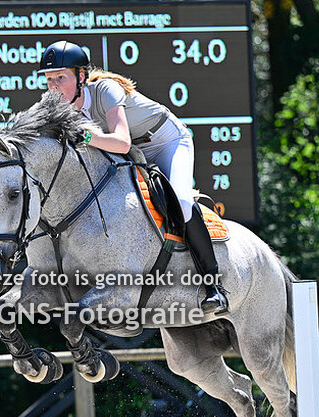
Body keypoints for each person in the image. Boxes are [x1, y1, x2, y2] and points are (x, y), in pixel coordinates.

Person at [38, 40, 228, 314]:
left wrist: (87, 136)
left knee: (182, 204)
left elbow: (122, 142)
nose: (53, 85)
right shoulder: (60, 108)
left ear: (81, 77)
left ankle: (214, 286)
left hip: (166, 141)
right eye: (49, 79)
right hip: (130, 152)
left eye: (60, 77)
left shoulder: (105, 90)